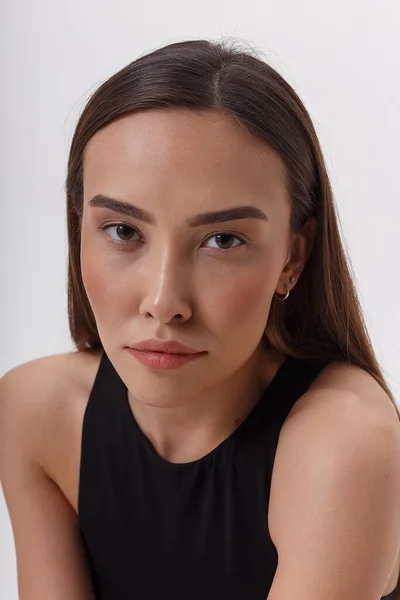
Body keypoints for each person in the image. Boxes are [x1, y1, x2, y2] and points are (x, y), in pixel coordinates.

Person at [1, 38, 400, 600]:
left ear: (293, 257)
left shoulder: (344, 443)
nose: (164, 301)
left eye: (222, 239)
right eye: (123, 231)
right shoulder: (35, 412)